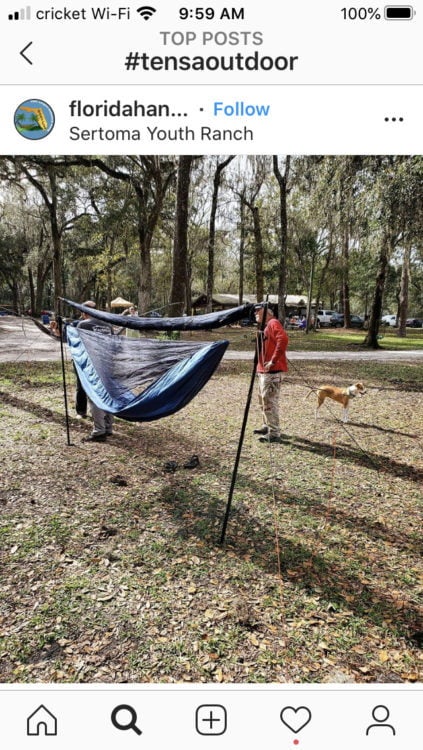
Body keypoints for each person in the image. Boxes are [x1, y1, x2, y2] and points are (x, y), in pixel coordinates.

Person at [77, 300, 114, 443]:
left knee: (94, 396)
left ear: (84, 312)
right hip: (109, 364)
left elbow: (78, 344)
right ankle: (109, 427)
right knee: (108, 395)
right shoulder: (108, 325)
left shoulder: (83, 325)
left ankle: (99, 431)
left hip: (93, 365)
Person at [253, 304, 289, 444]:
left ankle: (274, 432)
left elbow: (283, 339)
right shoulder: (265, 326)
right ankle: (266, 425)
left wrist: (273, 360)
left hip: (272, 372)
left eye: (258, 311)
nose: (256, 313)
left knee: (269, 401)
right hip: (263, 370)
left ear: (267, 313)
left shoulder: (273, 322)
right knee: (262, 400)